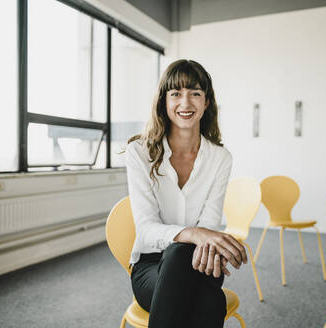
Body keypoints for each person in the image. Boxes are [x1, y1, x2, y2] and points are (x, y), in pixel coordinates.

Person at [125, 59, 247, 328]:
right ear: (163, 101)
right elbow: (146, 230)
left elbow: (210, 224)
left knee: (183, 256)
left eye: (195, 93)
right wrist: (194, 234)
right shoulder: (139, 153)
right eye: (176, 93)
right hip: (150, 267)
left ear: (206, 102)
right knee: (210, 301)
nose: (185, 102)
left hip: (201, 263)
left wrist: (201, 236)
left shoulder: (220, 158)